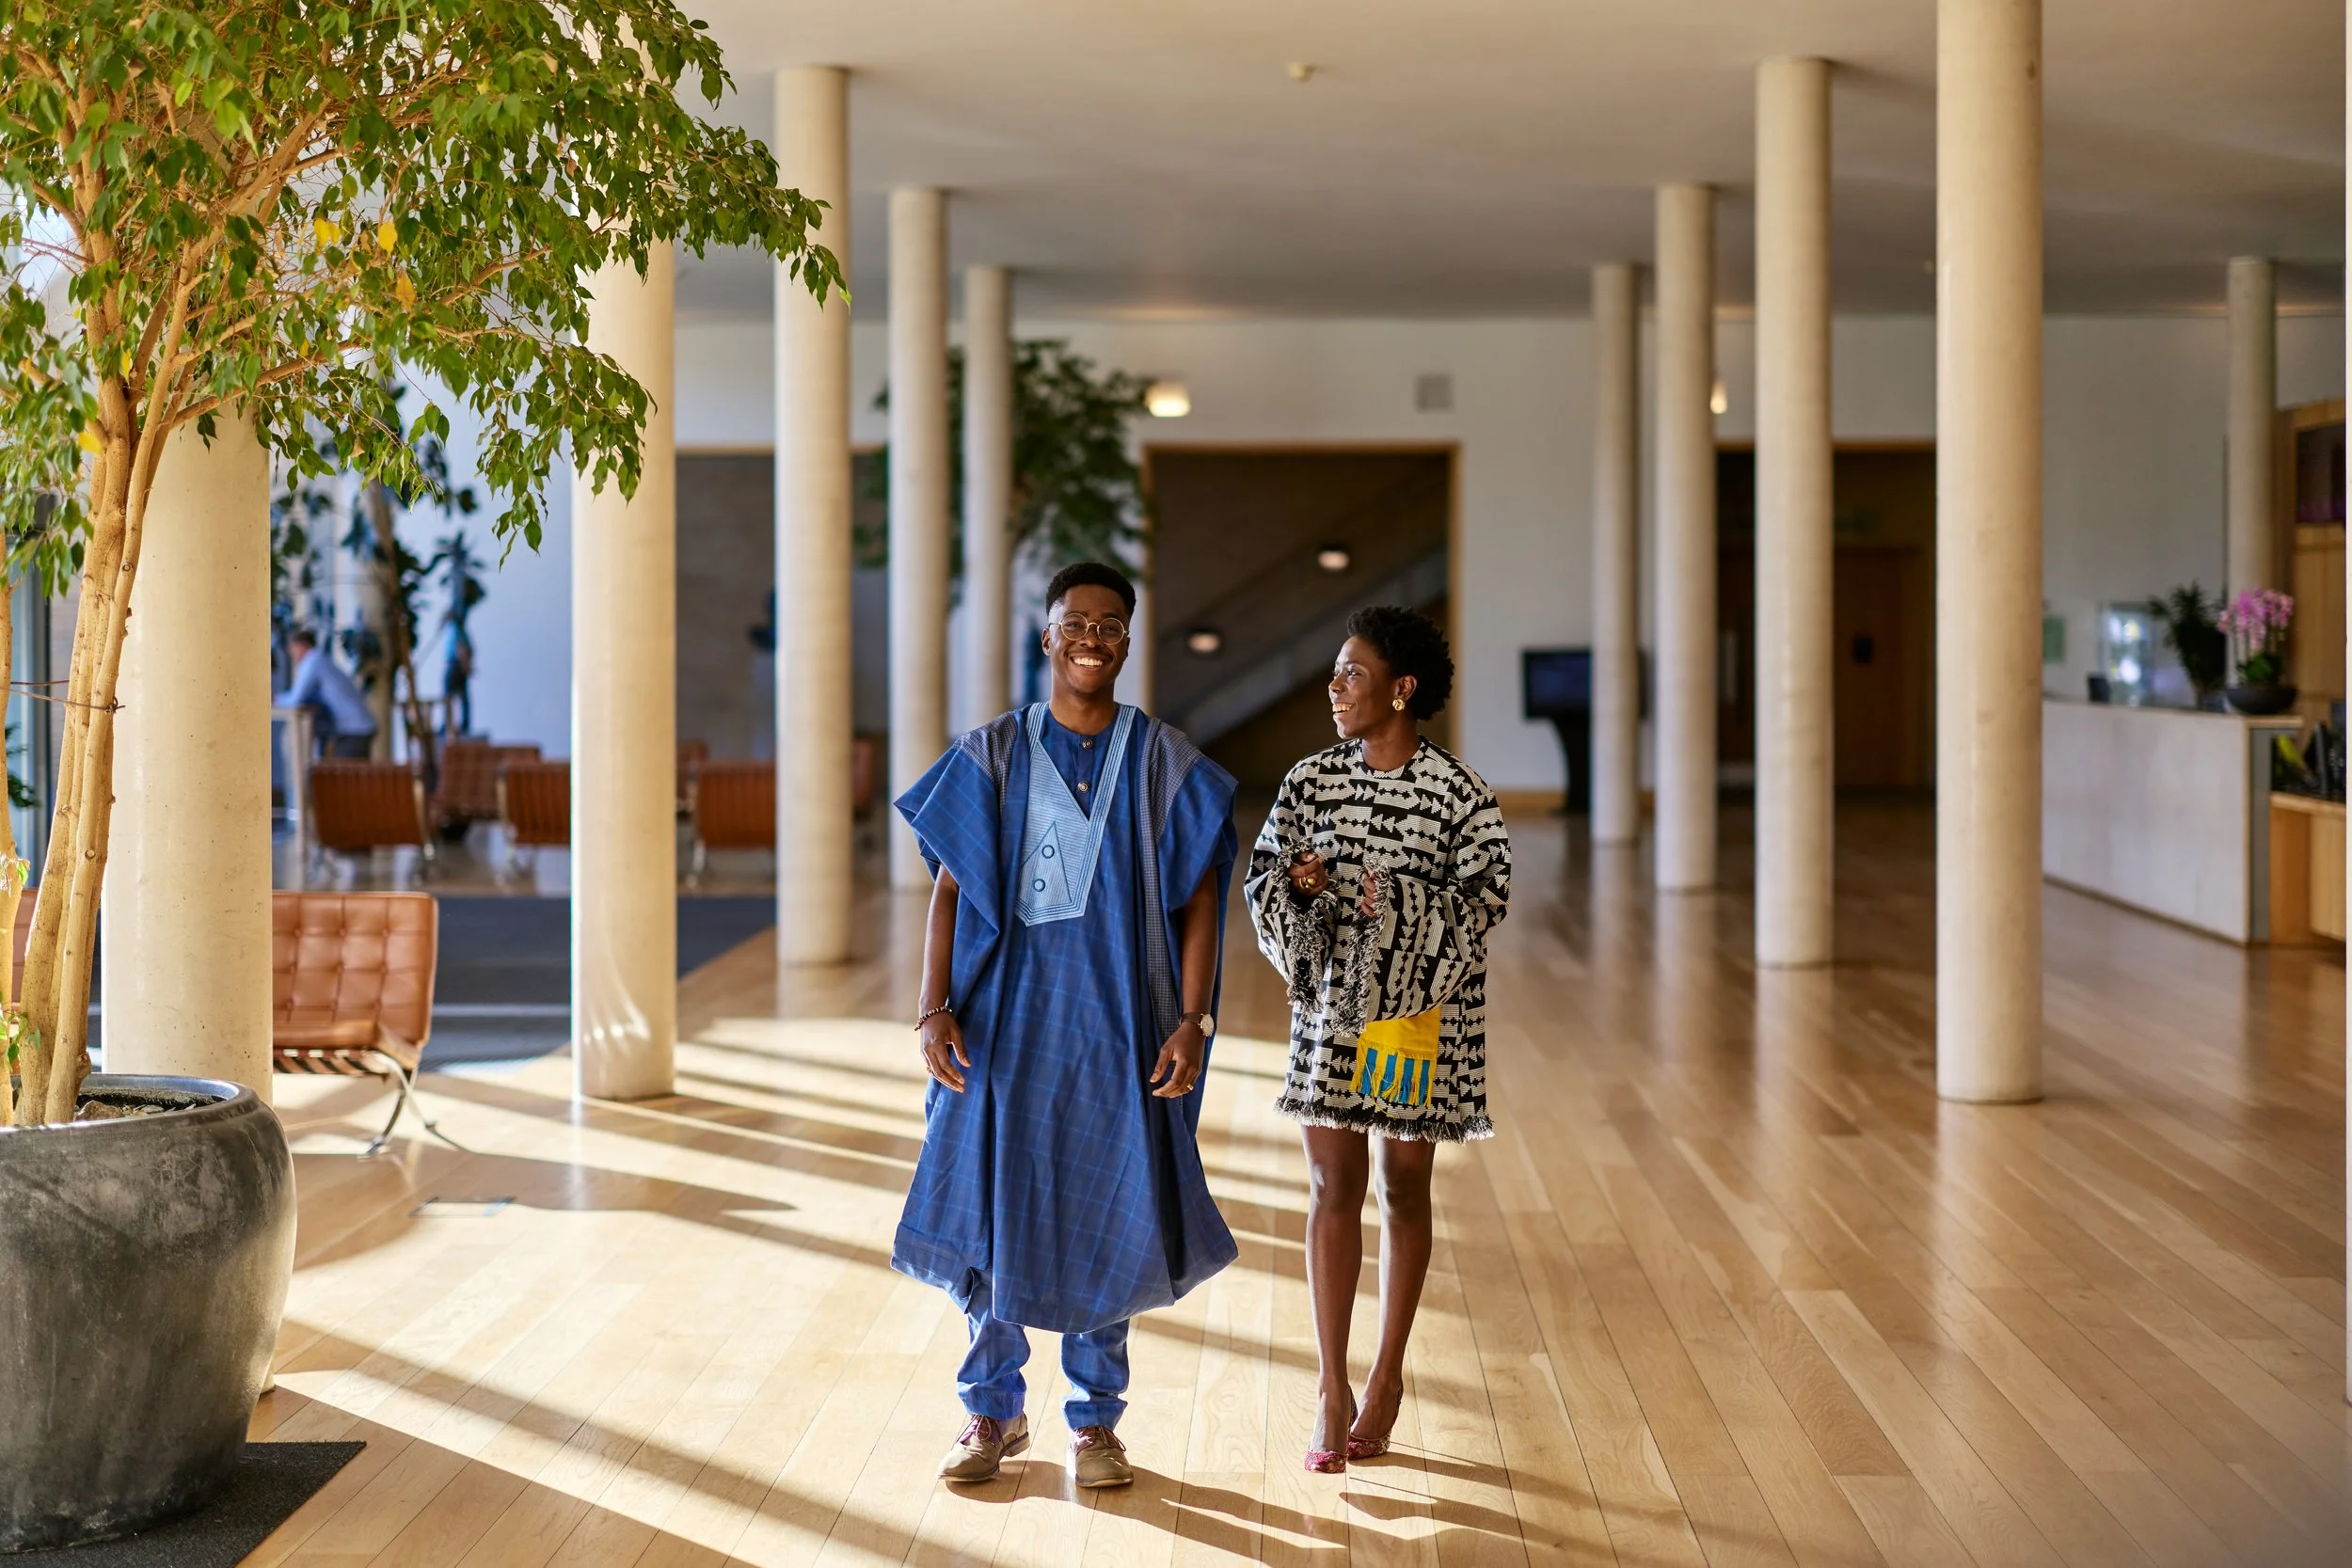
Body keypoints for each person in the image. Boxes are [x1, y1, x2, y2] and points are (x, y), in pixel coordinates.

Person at [895, 561, 1240, 1491]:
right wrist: (933, 1005)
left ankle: (1096, 1427)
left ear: (1127, 642)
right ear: (1046, 636)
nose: (1093, 636)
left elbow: (1203, 897)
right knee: (993, 1211)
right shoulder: (995, 753)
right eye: (1075, 621)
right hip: (1002, 1026)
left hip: (1119, 1023)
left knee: (1112, 1211)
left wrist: (1195, 1020)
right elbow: (948, 887)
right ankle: (990, 1413)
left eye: (1111, 624)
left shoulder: (1162, 757)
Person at [1245, 605, 1511, 1473]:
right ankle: (1331, 1384)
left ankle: (1388, 1375)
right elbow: (1263, 882)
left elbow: (1483, 903)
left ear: (1402, 688)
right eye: (1333, 671)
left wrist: (1390, 905)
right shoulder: (1309, 781)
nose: (1334, 687)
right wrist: (1303, 890)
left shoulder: (1459, 793)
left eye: (1351, 673)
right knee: (1330, 1185)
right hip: (1330, 1013)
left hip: (1417, 1023)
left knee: (1401, 1187)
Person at [278, 628, 378, 759]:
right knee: (352, 776)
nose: (291, 653)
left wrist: (273, 699)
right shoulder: (319, 660)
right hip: (356, 727)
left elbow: (295, 698)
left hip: (353, 730)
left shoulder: (313, 662)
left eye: (292, 648)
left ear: (301, 645)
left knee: (344, 777)